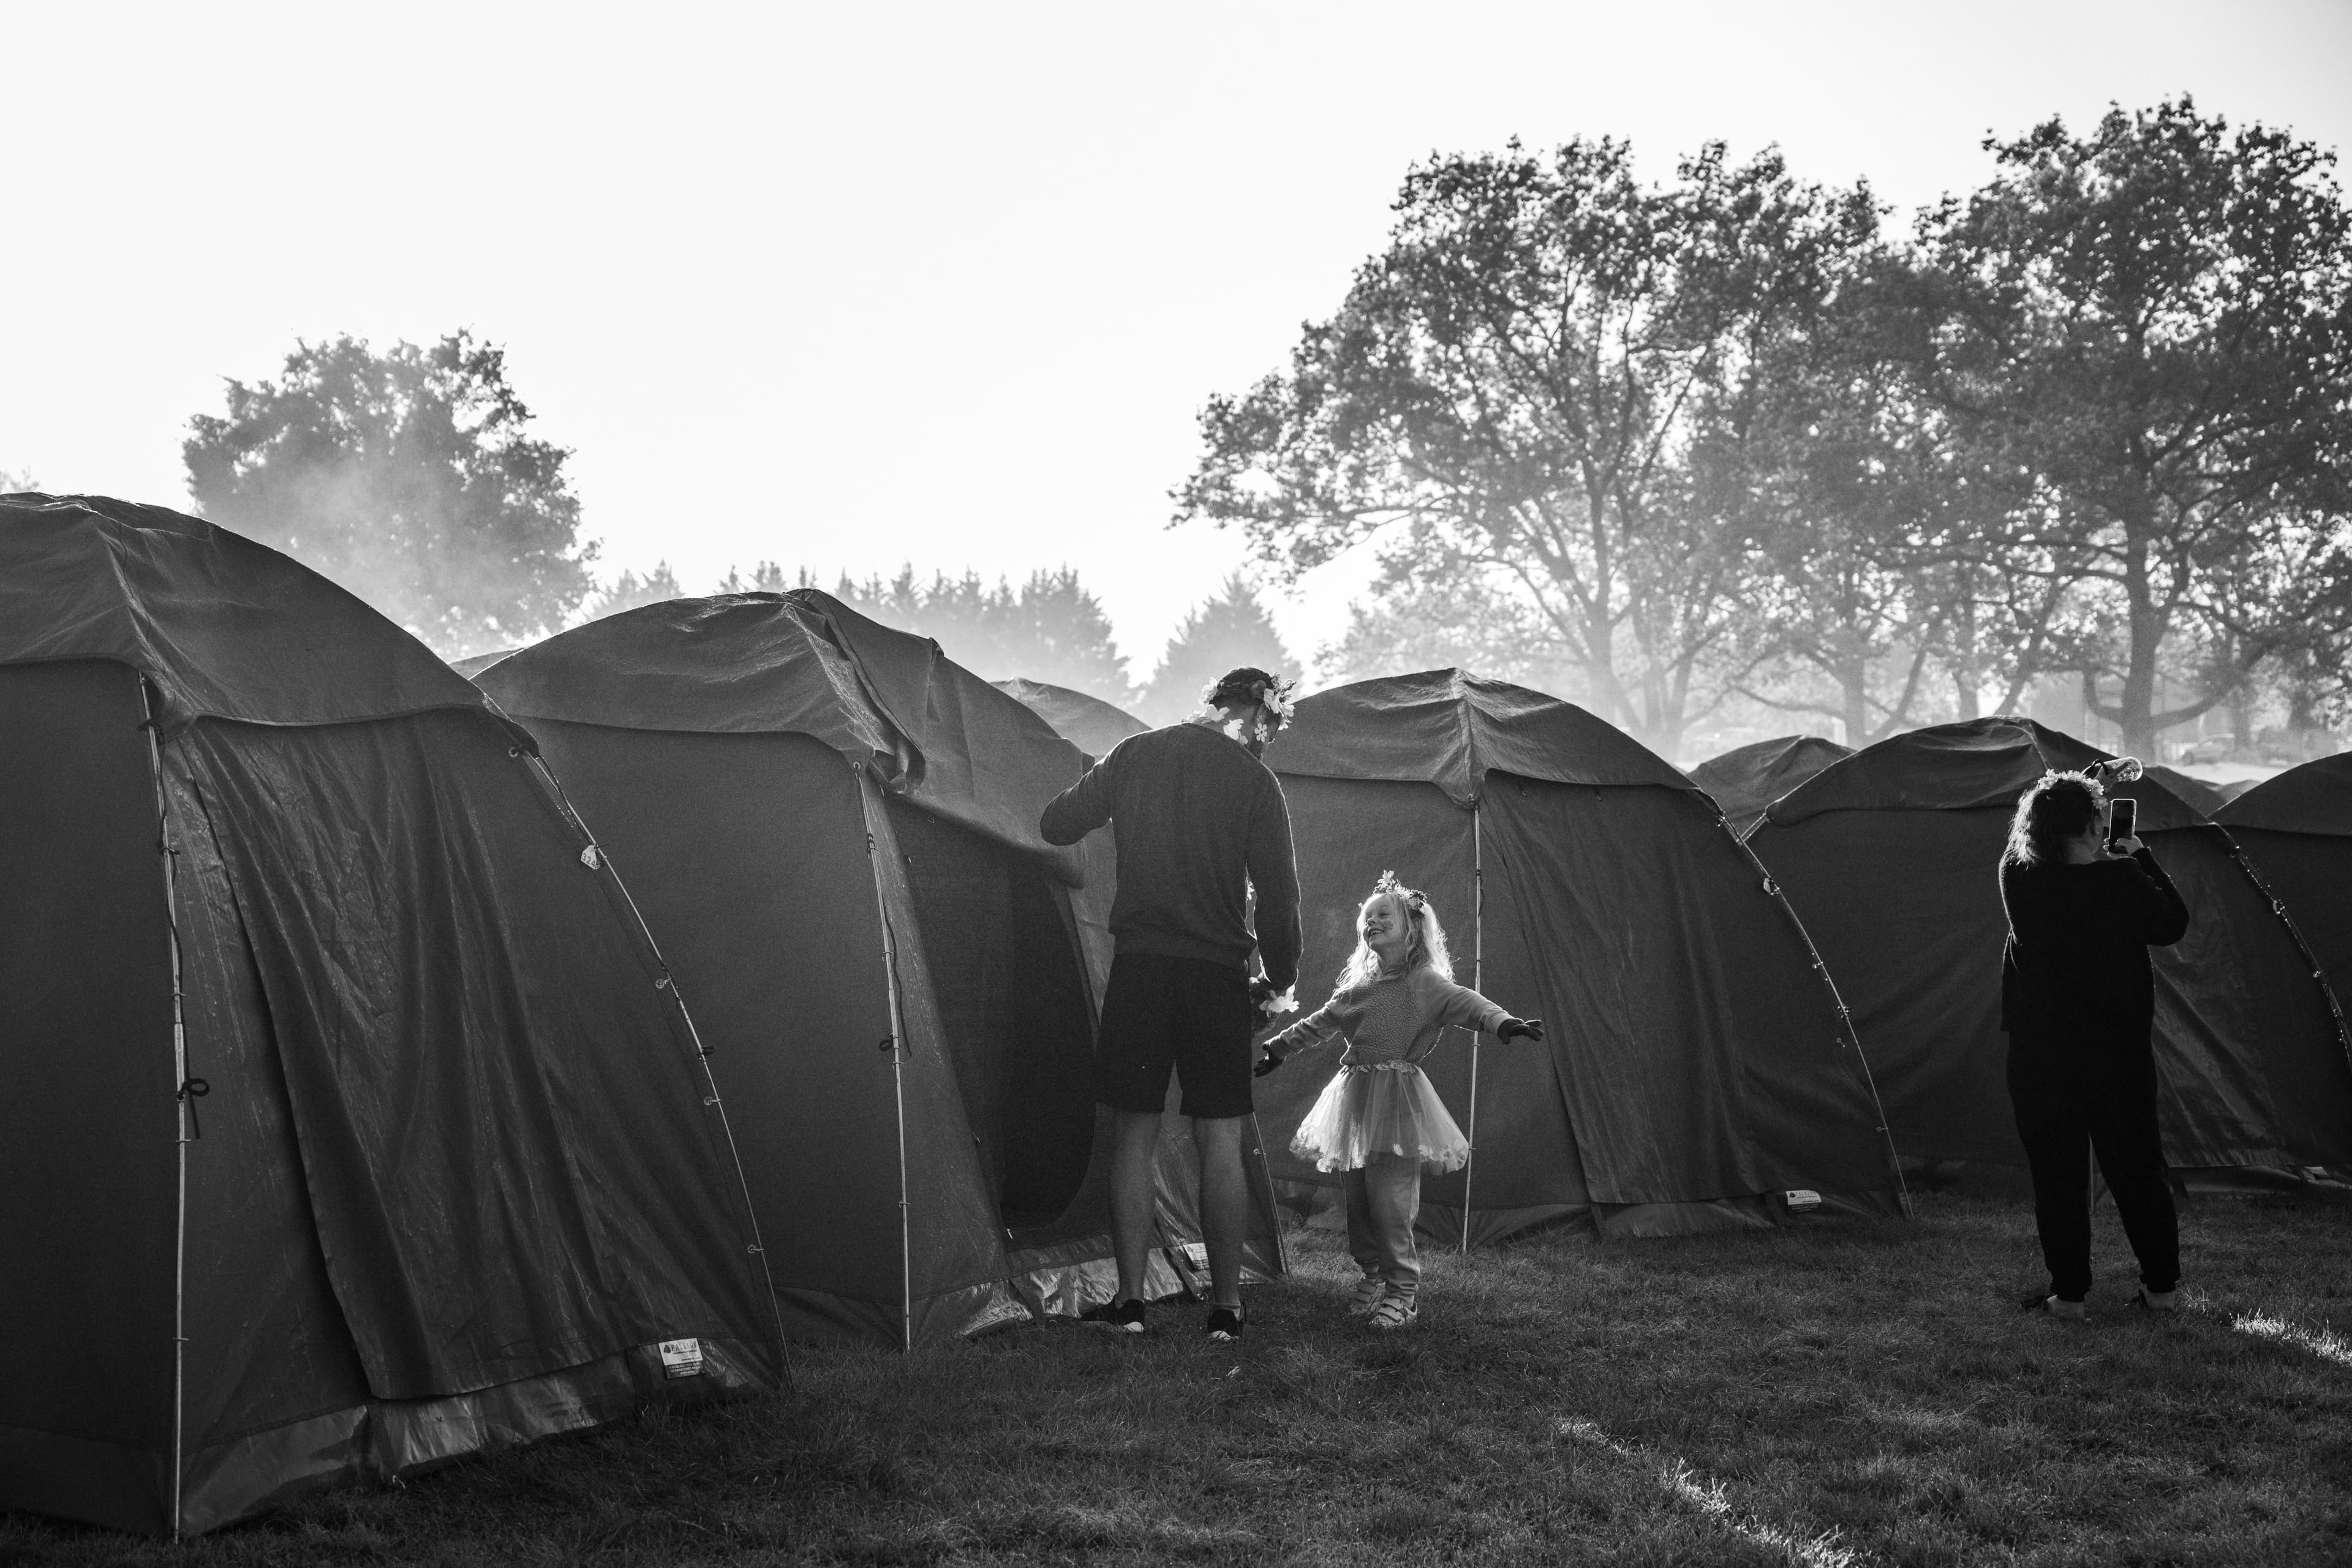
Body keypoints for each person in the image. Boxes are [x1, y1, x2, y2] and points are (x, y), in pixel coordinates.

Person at [1039, 666, 1303, 1341]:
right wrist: (1279, 981)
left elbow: (1057, 824)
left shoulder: (1134, 754)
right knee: (1220, 1136)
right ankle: (1226, 1310)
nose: (1265, 740)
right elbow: (1279, 896)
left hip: (1143, 970)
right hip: (1217, 977)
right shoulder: (1255, 781)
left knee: (1135, 1132)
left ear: (1211, 702)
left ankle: (1130, 1304)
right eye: (1270, 729)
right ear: (1261, 716)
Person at [1256, 873, 1545, 1330]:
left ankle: (1403, 1292)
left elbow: (1467, 1002)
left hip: (1397, 1102)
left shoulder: (1423, 982)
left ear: (1412, 928)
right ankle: (1373, 1274)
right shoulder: (1357, 990)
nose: (1371, 922)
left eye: (1382, 914)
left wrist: (1502, 1022)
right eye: (1366, 918)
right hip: (1355, 1101)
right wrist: (1277, 1049)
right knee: (1359, 1202)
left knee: (1391, 1202)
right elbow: (1317, 1025)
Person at [1999, 768, 2190, 1320]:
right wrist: (2140, 857)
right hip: (2117, 1058)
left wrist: (2074, 789)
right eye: (2099, 818)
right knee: (2138, 1173)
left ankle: (2069, 1297)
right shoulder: (2121, 881)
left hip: (2041, 1057)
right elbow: (2173, 923)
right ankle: (2161, 1290)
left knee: (2057, 1177)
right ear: (2091, 827)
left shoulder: (2018, 877)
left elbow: (2029, 838)